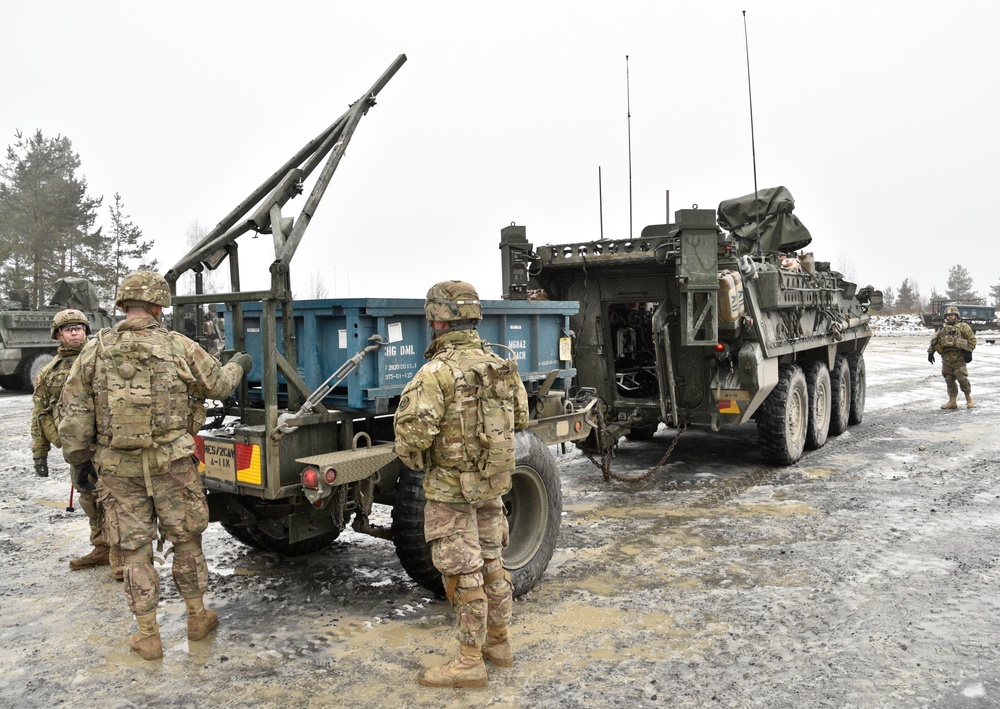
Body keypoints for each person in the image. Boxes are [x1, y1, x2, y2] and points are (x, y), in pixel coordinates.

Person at [58, 271, 252, 661]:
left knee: (133, 553)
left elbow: (74, 419)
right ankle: (197, 617)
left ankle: (148, 636)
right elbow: (217, 386)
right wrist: (239, 365)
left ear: (123, 305)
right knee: (186, 540)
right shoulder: (178, 345)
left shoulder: (93, 351)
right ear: (158, 306)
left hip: (117, 469)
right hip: (173, 464)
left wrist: (79, 465)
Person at [393, 280, 528, 689]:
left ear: (437, 319)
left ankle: (470, 662)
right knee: (491, 562)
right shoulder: (499, 363)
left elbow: (413, 438)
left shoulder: (436, 372)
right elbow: (520, 419)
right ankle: (499, 645)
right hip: (491, 483)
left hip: (451, 491)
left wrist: (424, 456)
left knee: (461, 572)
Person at [32, 309, 125, 579]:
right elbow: (40, 413)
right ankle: (101, 547)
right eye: (68, 329)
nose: (75, 332)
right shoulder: (48, 373)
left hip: (106, 444)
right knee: (89, 497)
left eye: (79, 327)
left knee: (114, 499)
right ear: (58, 335)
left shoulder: (103, 359)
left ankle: (120, 555)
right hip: (76, 448)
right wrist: (40, 452)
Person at [928, 304, 976, 409]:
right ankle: (952, 401)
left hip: (959, 358)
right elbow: (934, 340)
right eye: (948, 315)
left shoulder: (963, 327)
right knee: (949, 380)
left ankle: (969, 399)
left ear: (956, 315)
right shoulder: (942, 328)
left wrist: (969, 352)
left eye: (952, 315)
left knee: (962, 379)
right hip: (946, 358)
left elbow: (972, 340)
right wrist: (930, 352)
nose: (950, 317)